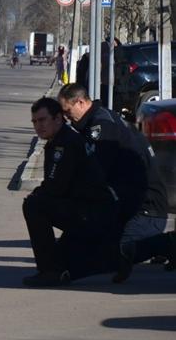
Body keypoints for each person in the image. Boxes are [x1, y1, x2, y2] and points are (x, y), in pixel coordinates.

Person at [57, 82, 172, 283]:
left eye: (68, 112)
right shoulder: (99, 118)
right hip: (130, 202)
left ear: (81, 102)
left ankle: (168, 244)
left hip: (146, 209)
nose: (67, 118)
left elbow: (96, 175)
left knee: (120, 252)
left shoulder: (101, 126)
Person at [21, 97, 120, 287]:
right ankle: (115, 258)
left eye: (42, 120)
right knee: (66, 259)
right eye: (34, 122)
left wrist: (36, 195)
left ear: (58, 118)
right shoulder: (63, 138)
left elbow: (55, 187)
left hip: (94, 215)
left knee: (33, 206)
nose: (38, 126)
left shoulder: (64, 144)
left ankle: (49, 272)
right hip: (92, 211)